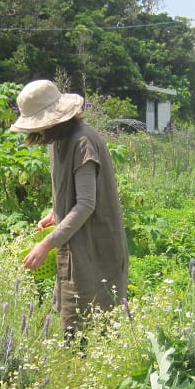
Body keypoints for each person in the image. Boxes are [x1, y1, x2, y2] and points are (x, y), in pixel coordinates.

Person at [10, 79, 128, 338]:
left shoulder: (83, 141)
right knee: (76, 315)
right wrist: (55, 212)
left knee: (94, 320)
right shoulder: (58, 140)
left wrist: (46, 244)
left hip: (96, 243)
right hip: (76, 239)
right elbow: (72, 192)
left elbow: (86, 203)